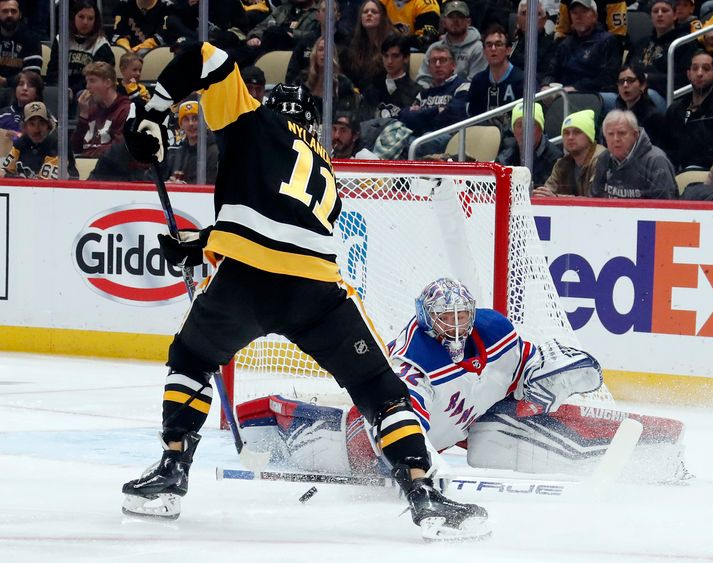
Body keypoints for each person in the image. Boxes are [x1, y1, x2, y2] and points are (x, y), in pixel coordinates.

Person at [120, 41, 487, 540]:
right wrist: (201, 246)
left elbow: (205, 54)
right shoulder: (324, 169)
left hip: (246, 284)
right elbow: (284, 223)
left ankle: (171, 470)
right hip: (315, 289)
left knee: (191, 359)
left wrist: (153, 108)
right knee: (380, 391)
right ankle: (422, 491)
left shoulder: (251, 118)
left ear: (269, 105)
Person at [235, 278, 688, 484]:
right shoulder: (412, 359)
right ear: (426, 318)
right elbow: (393, 415)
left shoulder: (492, 329)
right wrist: (416, 465)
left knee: (499, 436)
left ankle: (654, 454)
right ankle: (283, 423)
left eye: (461, 316)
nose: (455, 325)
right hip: (404, 434)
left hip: (468, 422)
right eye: (444, 317)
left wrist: (558, 373)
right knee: (360, 447)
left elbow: (530, 363)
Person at [664, 50, 713, 171]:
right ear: (688, 74)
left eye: (705, 69)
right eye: (695, 69)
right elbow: (666, 145)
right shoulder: (675, 108)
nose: (699, 73)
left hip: (702, 172)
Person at [623, 0, 695, 111]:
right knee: (605, 98)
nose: (660, 14)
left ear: (675, 15)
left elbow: (683, 78)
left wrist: (648, 79)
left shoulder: (683, 43)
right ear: (651, 16)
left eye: (665, 11)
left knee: (643, 94)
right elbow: (625, 69)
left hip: (665, 98)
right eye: (655, 11)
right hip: (631, 91)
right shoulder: (641, 43)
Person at [592, 109, 678, 199]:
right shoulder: (604, 158)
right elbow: (595, 200)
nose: (616, 139)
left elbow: (665, 208)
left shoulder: (656, 161)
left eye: (622, 133)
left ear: (635, 135)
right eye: (610, 134)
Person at [541, 0, 621, 94]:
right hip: (564, 95)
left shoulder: (607, 41)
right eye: (574, 13)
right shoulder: (565, 44)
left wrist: (577, 88)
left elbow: (608, 79)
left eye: (584, 12)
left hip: (593, 94)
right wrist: (546, 85)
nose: (578, 16)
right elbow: (552, 71)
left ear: (595, 16)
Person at [45, 0, 115, 99]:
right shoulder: (61, 39)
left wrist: (73, 90)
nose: (85, 22)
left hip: (88, 90)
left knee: (84, 95)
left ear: (96, 21)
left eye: (90, 18)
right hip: (61, 88)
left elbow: (99, 78)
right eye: (81, 17)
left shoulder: (101, 44)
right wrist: (62, 88)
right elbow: (52, 72)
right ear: (73, 17)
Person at [415, 1, 486, 90]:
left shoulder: (478, 48)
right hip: (432, 98)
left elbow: (475, 83)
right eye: (451, 17)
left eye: (460, 16)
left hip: (463, 98)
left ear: (468, 22)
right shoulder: (434, 48)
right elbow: (423, 80)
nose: (455, 21)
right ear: (444, 22)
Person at [70, 61, 132, 157]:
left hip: (108, 168)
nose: (87, 87)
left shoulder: (125, 110)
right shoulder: (90, 109)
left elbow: (119, 149)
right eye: (87, 81)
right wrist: (83, 116)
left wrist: (87, 155)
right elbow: (75, 147)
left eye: (92, 81)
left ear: (108, 83)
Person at [0, 101, 76, 179]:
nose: (36, 130)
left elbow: (42, 184)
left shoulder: (58, 145)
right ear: (24, 127)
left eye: (42, 124)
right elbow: (5, 171)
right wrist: (6, 174)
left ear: (48, 126)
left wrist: (10, 177)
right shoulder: (20, 143)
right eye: (32, 124)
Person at [541, 109, 606, 197]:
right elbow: (548, 191)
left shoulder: (602, 159)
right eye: (566, 133)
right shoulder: (562, 164)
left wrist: (556, 198)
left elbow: (594, 200)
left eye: (577, 132)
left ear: (589, 137)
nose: (570, 137)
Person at [466, 24, 524, 119]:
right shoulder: (478, 81)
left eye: (498, 44)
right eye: (489, 45)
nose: (493, 49)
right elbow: (472, 116)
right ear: (484, 51)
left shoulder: (521, 80)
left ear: (508, 50)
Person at [497, 101, 561, 188]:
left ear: (541, 129)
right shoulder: (504, 158)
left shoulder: (556, 159)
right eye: (520, 125)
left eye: (531, 125)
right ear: (513, 131)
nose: (525, 130)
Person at [360, 34, 421, 120]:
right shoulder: (372, 89)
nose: (389, 61)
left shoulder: (417, 92)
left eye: (395, 56)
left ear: (406, 58)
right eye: (386, 56)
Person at [340, 0, 396, 92]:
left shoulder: (392, 43)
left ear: (382, 17)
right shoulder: (353, 44)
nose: (369, 14)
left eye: (374, 12)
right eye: (365, 12)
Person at [611, 64, 668, 149]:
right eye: (621, 82)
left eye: (630, 80)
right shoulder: (616, 113)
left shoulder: (654, 117)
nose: (625, 85)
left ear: (642, 85)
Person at [161, 99, 218, 184]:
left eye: (195, 118)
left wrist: (184, 186)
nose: (191, 123)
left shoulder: (215, 152)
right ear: (181, 125)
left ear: (205, 123)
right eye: (186, 119)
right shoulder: (178, 153)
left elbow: (214, 184)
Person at [302, 37, 360, 115]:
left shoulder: (343, 84)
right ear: (315, 54)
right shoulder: (302, 79)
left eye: (328, 50)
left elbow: (346, 114)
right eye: (320, 49)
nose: (324, 53)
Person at [245, 0, 319, 56]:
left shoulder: (319, 12)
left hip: (294, 49)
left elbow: (317, 35)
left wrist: (293, 34)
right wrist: (254, 37)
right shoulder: (283, 9)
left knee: (274, 31)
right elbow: (262, 26)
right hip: (267, 43)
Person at [508, 0, 555, 84]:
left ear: (544, 20)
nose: (530, 17)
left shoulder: (552, 46)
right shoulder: (507, 42)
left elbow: (545, 76)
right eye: (524, 13)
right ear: (518, 19)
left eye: (537, 14)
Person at [0, 0, 43, 87]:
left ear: (20, 15)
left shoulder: (32, 39)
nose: (9, 15)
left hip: (20, 90)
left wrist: (6, 81)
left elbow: (32, 76)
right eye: (5, 11)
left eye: (13, 11)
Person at [554, 0, 627, 46]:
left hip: (603, 47)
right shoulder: (565, 2)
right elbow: (561, 31)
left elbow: (618, 35)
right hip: (575, 46)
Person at [0, 70, 43, 135]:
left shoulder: (44, 118)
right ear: (15, 90)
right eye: (21, 84)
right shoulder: (3, 114)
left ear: (37, 92)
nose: (25, 88)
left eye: (30, 85)